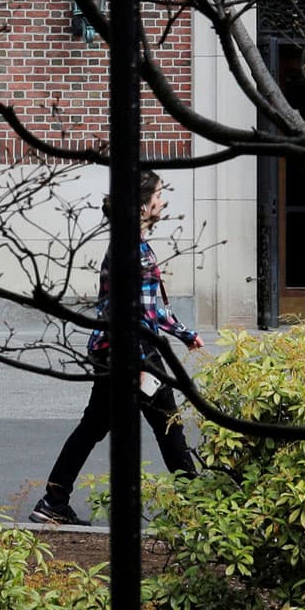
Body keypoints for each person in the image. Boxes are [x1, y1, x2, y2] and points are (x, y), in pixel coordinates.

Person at [32, 171, 201, 526]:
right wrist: (141, 363)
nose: (164, 201)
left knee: (93, 427)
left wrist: (185, 333)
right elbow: (133, 314)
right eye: (159, 195)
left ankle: (54, 499)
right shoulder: (132, 250)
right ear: (142, 206)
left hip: (122, 350)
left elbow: (151, 307)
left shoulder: (132, 243)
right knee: (170, 428)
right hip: (133, 353)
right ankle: (197, 511)